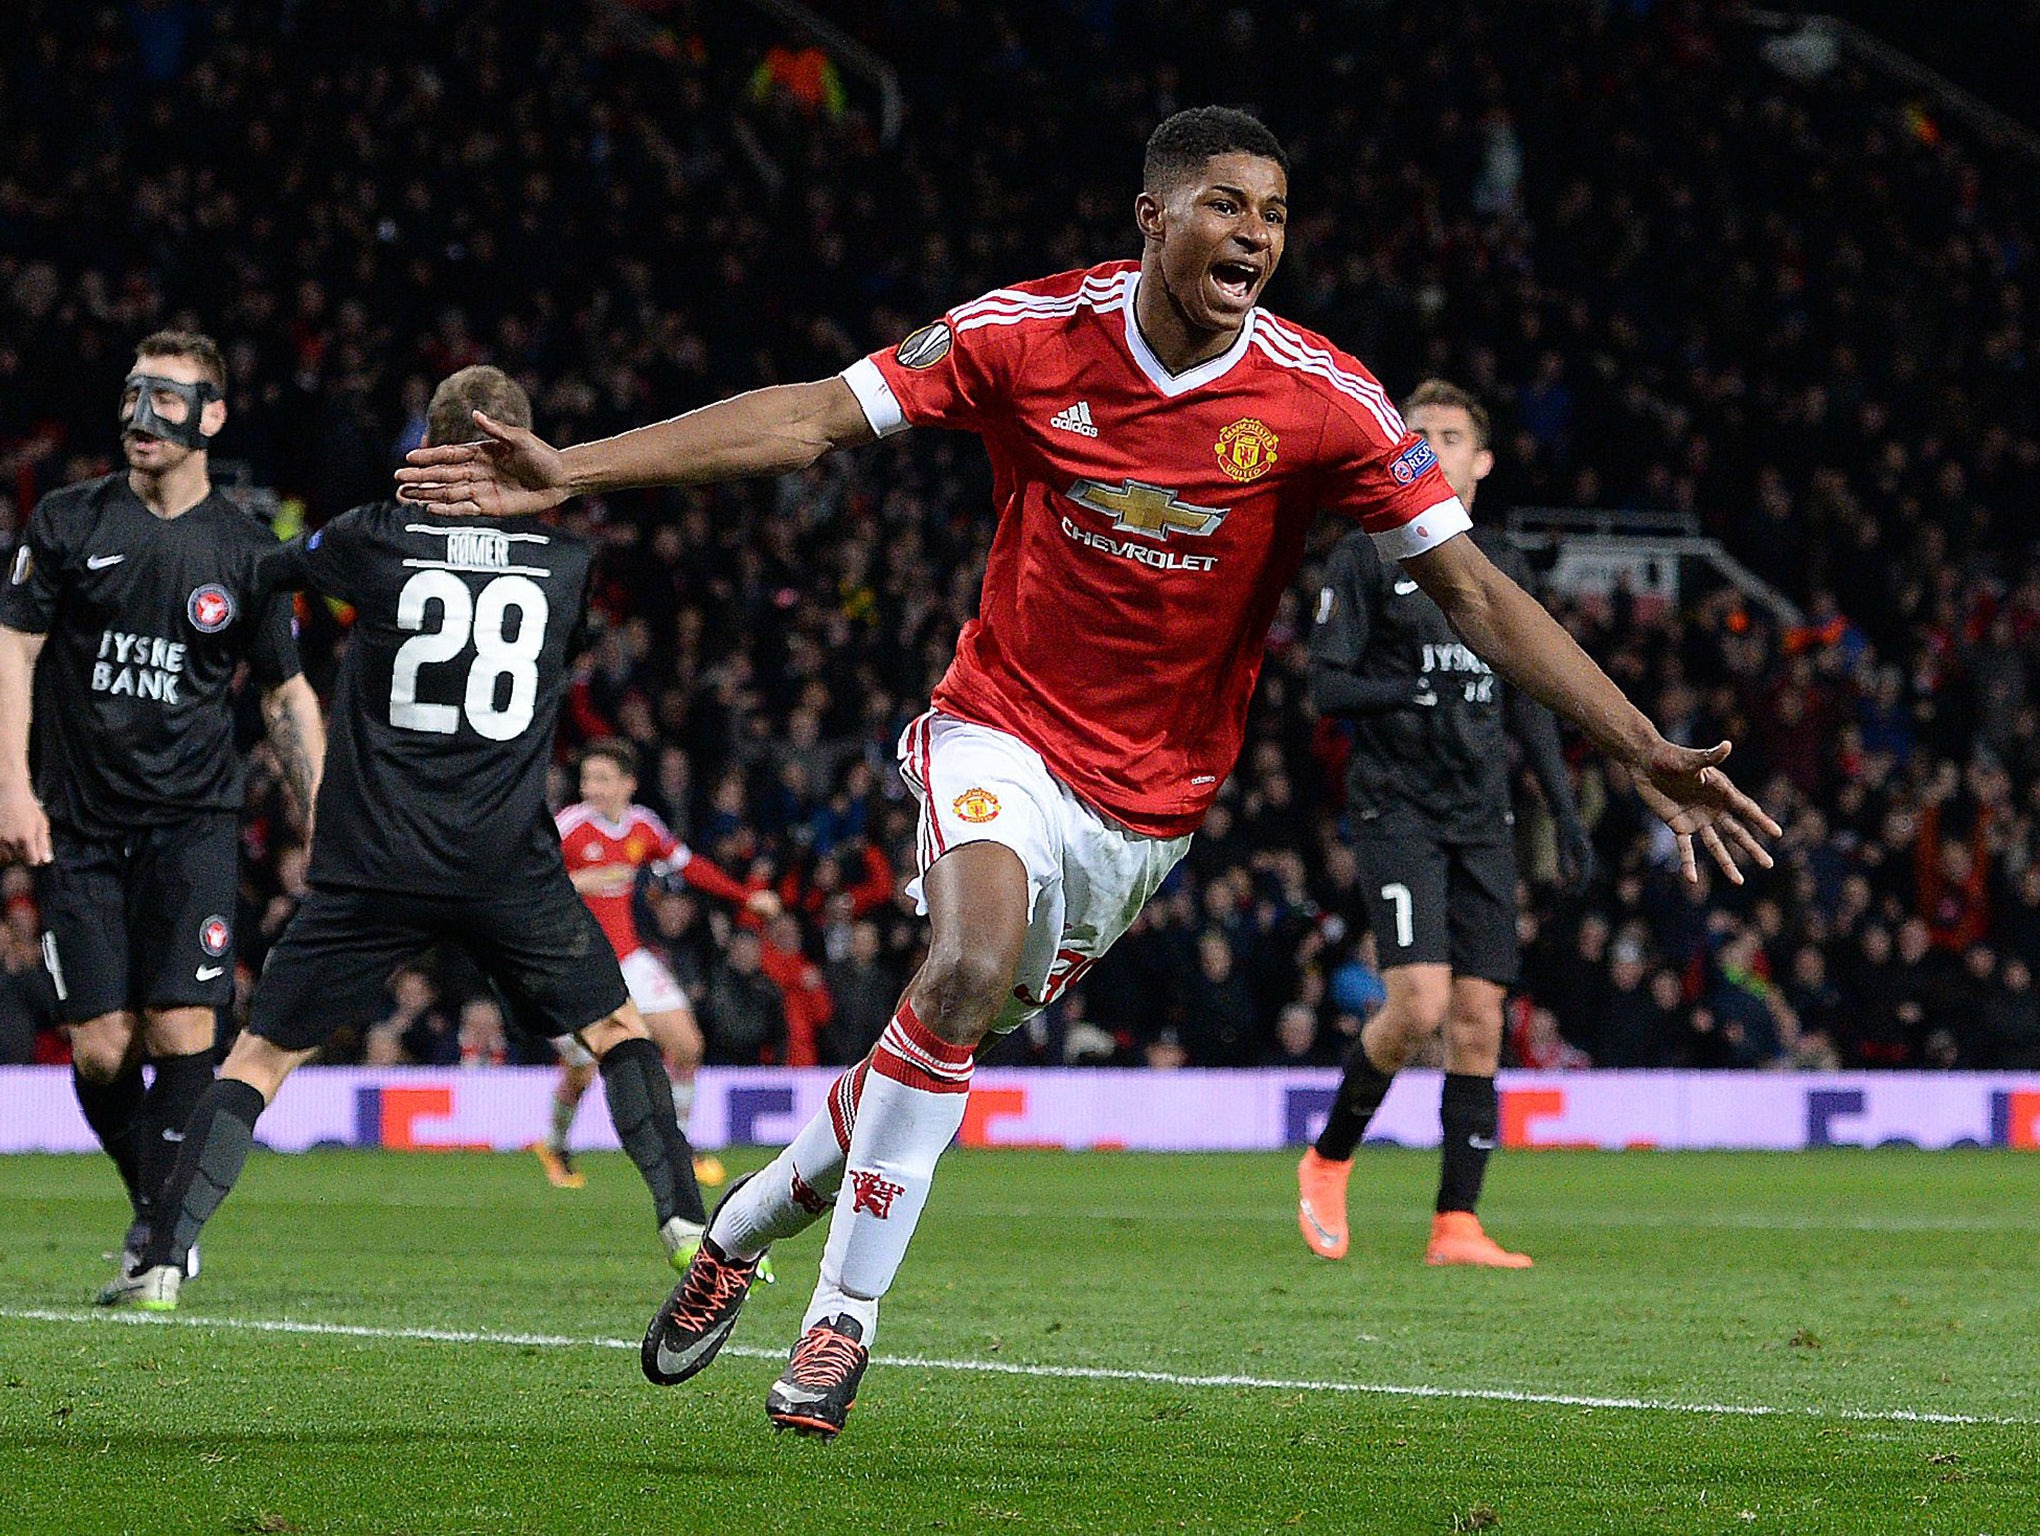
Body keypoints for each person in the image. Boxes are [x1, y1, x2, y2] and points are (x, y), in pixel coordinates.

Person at [399, 107, 1776, 1439]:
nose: (1256, 233)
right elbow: (812, 417)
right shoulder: (1027, 336)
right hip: (998, 725)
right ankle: (843, 1326)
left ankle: (742, 1230)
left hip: (1150, 809)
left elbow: (1469, 588)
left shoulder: (1322, 399)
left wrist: (1640, 743)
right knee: (957, 964)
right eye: (1225, 203)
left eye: (1277, 213)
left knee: (925, 1048)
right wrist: (573, 467)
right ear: (1152, 215)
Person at [100, 365, 712, 1309]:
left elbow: (267, 570)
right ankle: (684, 1224)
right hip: (507, 861)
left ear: (425, 451)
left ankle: (164, 1262)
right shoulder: (566, 566)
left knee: (259, 1061)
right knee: (617, 1029)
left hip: (374, 861)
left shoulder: (371, 541)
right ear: (519, 448)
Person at [0, 331, 324, 1296]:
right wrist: (9, 786)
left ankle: (163, 1246)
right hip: (79, 824)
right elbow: (12, 649)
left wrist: (323, 815)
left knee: (185, 1030)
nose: (142, 416)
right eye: (133, 393)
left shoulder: (246, 551)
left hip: (193, 822)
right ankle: (161, 1212)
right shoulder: (66, 520)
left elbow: (284, 694)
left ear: (212, 416)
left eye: (167, 397)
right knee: (101, 1050)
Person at [1296, 379, 1595, 1270]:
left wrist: (1565, 813)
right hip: (1399, 811)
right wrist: (1413, 687)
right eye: (1416, 431)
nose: (1432, 444)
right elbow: (1327, 686)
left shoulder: (1500, 559)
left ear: (1482, 461)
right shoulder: (1365, 557)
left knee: (1478, 1017)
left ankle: (1456, 1224)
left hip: (1484, 816)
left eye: (1451, 434)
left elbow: (1533, 697)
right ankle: (1329, 1158)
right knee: (1419, 1001)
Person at [544, 736, 779, 1190]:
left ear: (628, 784)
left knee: (688, 1045)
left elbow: (692, 868)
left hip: (628, 959)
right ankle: (554, 1144)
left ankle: (679, 1145)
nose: (591, 788)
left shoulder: (642, 826)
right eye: (587, 778)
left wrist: (747, 896)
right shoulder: (568, 827)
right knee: (583, 1068)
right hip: (575, 964)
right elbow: (523, 884)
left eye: (602, 779)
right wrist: (581, 880)